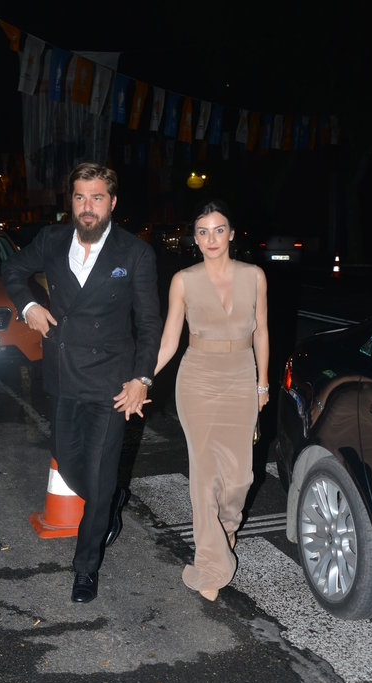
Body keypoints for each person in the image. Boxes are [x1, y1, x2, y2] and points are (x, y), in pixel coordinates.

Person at [2, 162, 162, 604]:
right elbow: (12, 269)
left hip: (112, 381)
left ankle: (85, 568)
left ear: (112, 203)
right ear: (70, 202)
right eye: (79, 198)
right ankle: (110, 500)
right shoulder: (52, 240)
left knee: (97, 470)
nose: (87, 207)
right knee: (70, 464)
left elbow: (149, 323)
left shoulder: (135, 253)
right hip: (63, 374)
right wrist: (29, 306)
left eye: (96, 198)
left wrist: (142, 379)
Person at [154, 199, 269, 602]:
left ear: (231, 234)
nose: (211, 238)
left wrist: (262, 385)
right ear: (195, 238)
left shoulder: (254, 276)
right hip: (198, 379)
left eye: (219, 230)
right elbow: (169, 341)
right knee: (205, 477)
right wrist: (142, 378)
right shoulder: (183, 281)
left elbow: (261, 333)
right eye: (203, 232)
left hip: (240, 376)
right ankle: (210, 564)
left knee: (240, 477)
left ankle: (227, 528)